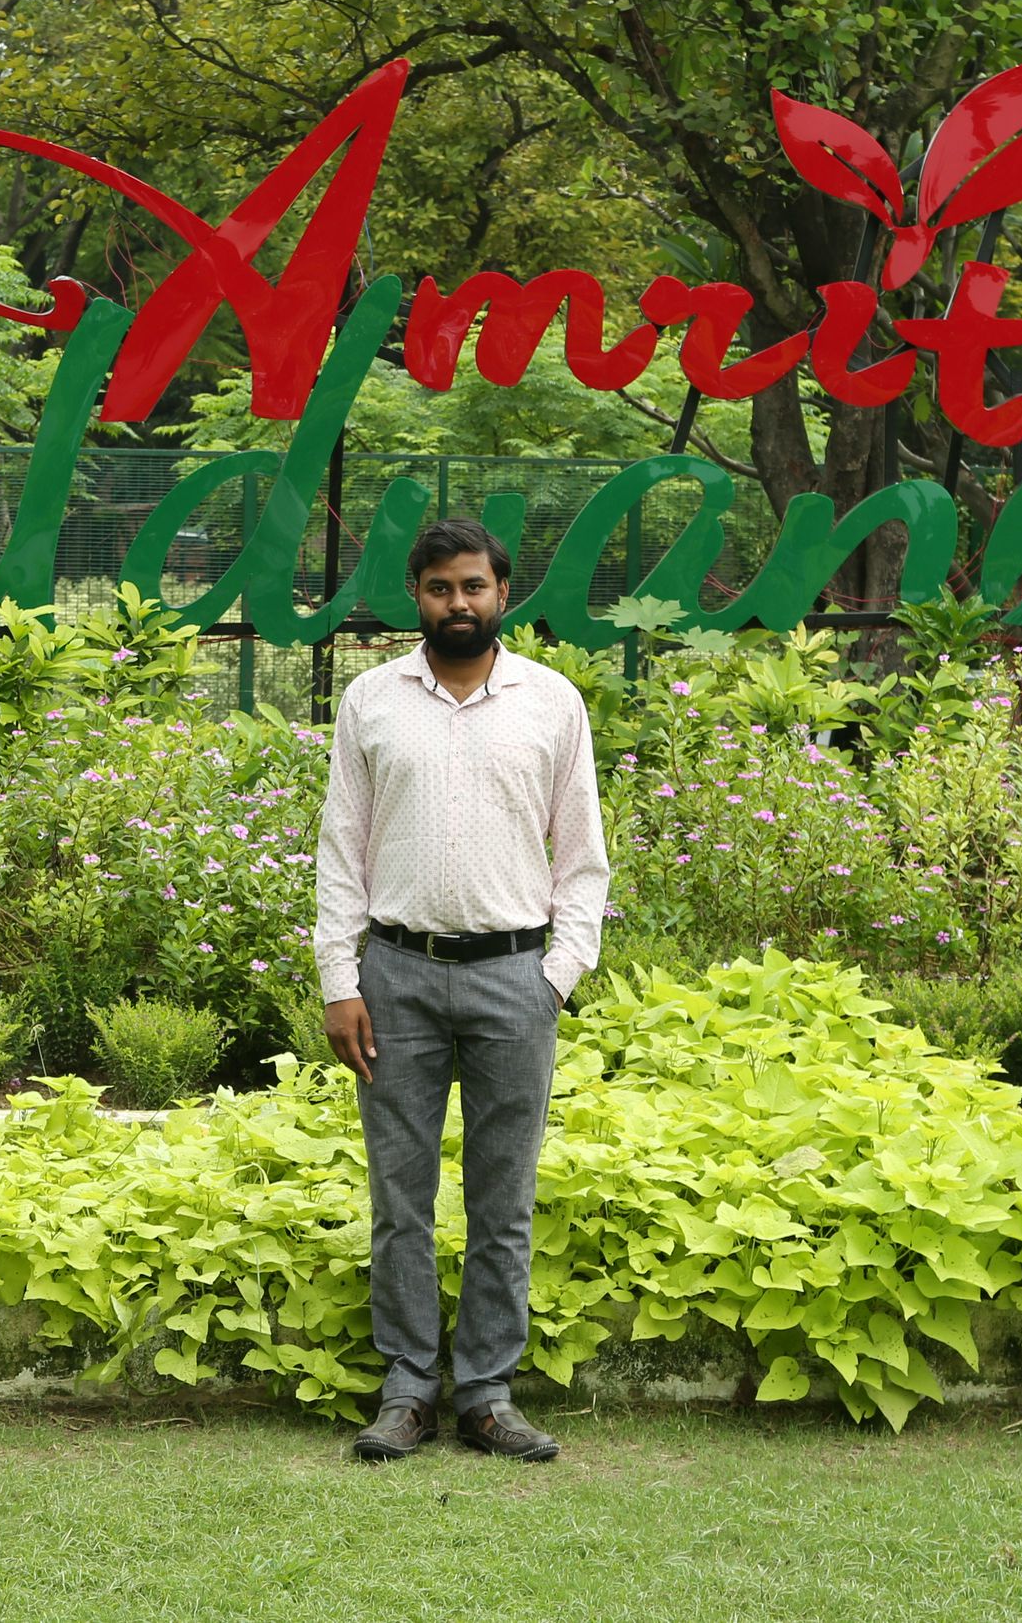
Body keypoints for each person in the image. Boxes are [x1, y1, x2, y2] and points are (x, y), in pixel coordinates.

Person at [314, 515, 610, 1462]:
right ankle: (407, 1390)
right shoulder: (370, 700)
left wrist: (555, 977)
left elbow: (583, 855)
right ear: (416, 593)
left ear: (501, 592)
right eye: (439, 587)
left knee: (502, 1201)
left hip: (514, 979)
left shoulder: (551, 702)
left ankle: (485, 1392)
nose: (458, 602)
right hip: (393, 978)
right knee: (399, 1198)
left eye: (473, 585)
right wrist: (339, 978)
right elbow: (340, 848)